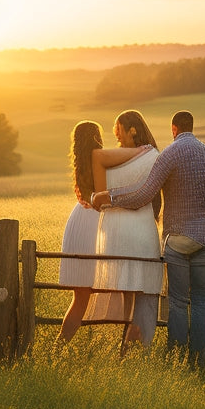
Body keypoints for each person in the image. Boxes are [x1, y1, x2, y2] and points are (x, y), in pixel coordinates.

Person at [92, 110, 205, 370]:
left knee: (179, 302)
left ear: (173, 129)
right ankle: (199, 364)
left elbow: (144, 194)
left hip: (178, 235)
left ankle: (176, 361)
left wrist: (110, 197)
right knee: (202, 300)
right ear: (192, 126)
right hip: (204, 235)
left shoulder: (170, 153)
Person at [57, 120, 149, 342]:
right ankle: (126, 347)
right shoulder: (101, 157)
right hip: (97, 223)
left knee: (80, 298)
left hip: (78, 220)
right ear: (97, 136)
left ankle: (58, 349)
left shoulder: (79, 163)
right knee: (127, 288)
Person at [88, 110, 163, 351]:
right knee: (140, 292)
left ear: (133, 130)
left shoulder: (121, 157)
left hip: (123, 231)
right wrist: (142, 150)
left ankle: (129, 345)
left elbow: (100, 196)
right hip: (137, 230)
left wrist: (105, 198)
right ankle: (136, 346)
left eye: (119, 132)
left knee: (130, 293)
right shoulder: (151, 155)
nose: (117, 138)